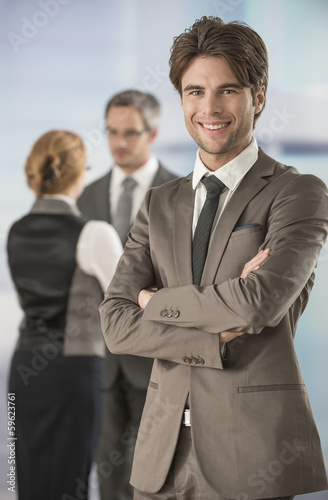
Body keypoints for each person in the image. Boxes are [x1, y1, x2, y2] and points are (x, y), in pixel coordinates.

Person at [99, 16, 328, 500]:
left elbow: (257, 304)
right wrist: (215, 332)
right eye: (194, 92)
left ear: (258, 97)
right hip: (160, 459)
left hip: (252, 456)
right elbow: (115, 324)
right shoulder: (159, 202)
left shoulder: (297, 192)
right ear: (181, 99)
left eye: (227, 91)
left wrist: (153, 300)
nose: (210, 108)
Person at [7, 130, 123, 500]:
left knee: (30, 482)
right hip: (73, 371)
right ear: (79, 174)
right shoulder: (94, 233)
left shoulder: (16, 230)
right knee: (70, 483)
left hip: (24, 369)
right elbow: (128, 298)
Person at [77, 89, 177, 500]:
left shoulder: (181, 193)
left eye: (130, 133)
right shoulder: (85, 195)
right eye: (112, 132)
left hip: (158, 356)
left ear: (152, 134)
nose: (119, 143)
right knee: (109, 470)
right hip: (100, 359)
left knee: (160, 473)